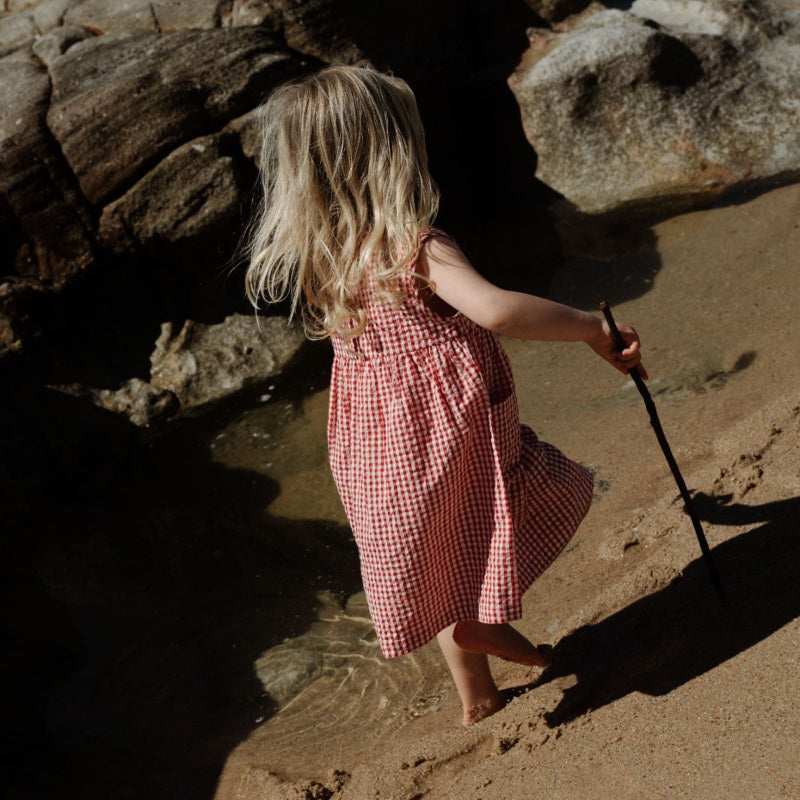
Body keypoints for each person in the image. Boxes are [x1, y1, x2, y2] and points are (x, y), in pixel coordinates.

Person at [245, 65, 646, 726]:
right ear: (395, 151)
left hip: (374, 447)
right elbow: (496, 310)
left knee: (438, 553)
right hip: (447, 429)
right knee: (551, 490)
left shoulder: (325, 258)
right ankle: (482, 624)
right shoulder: (416, 246)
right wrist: (590, 329)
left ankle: (478, 699)